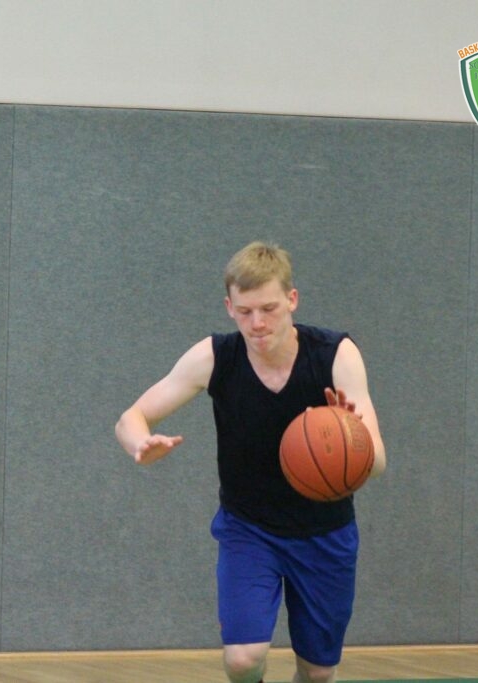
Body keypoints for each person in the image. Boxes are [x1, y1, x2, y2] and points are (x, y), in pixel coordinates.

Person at [115, 242, 386, 683]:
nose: (257, 323)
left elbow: (378, 463)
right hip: (249, 530)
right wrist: (139, 444)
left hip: (325, 531)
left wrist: (353, 440)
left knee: (319, 673)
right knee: (243, 659)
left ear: (292, 300)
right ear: (229, 308)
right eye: (244, 311)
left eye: (269, 309)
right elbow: (131, 417)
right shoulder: (216, 357)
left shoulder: (336, 354)